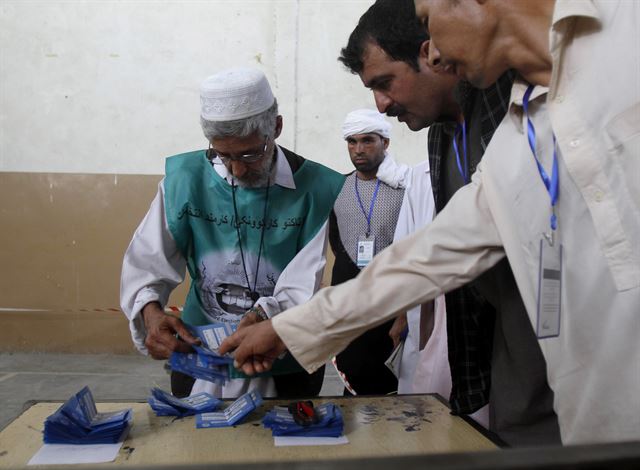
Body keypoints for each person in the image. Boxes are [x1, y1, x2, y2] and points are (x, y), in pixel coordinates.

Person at [220, 0, 639, 444]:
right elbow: (428, 257)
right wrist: (290, 328)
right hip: (598, 422)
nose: (433, 55)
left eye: (426, 21)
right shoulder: (521, 129)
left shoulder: (625, 31)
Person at [337, 0, 559, 445]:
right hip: (504, 353)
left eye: (384, 83)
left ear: (430, 52)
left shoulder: (529, 103)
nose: (382, 106)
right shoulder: (443, 133)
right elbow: (452, 247)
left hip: (573, 337)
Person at [120, 67, 344, 399]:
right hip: (201, 352)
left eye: (250, 154)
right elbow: (147, 260)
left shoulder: (318, 189)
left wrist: (265, 314)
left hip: (281, 355)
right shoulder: (184, 181)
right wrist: (150, 311)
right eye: (223, 155)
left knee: (286, 445)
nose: (237, 169)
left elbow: (304, 281)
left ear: (277, 128)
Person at [329, 108, 409, 395]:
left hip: (392, 301)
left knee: (389, 384)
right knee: (352, 378)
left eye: (367, 141)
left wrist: (405, 312)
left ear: (385, 142)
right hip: (349, 300)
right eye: (352, 142)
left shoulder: (405, 187)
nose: (358, 150)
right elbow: (337, 242)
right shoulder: (337, 187)